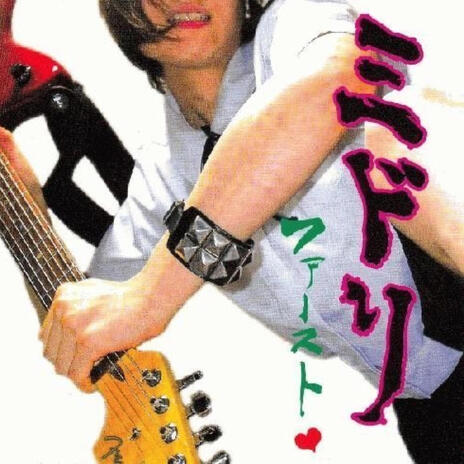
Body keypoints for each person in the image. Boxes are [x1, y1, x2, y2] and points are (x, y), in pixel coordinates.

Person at [0, 0, 462, 462]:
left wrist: (150, 296)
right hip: (431, 409)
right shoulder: (162, 178)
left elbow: (330, 88)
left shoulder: (299, 25)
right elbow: (89, 327)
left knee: (384, 147)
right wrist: (28, 208)